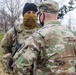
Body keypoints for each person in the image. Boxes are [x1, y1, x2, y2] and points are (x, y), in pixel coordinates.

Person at [10, 0, 76, 75]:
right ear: (56, 14)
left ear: (42, 15)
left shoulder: (37, 37)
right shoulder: (72, 34)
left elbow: (19, 67)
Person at [0, 3, 41, 75]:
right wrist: (9, 62)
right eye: (28, 12)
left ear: (37, 15)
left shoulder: (43, 31)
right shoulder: (14, 31)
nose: (31, 15)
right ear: (23, 14)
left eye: (34, 13)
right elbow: (4, 47)